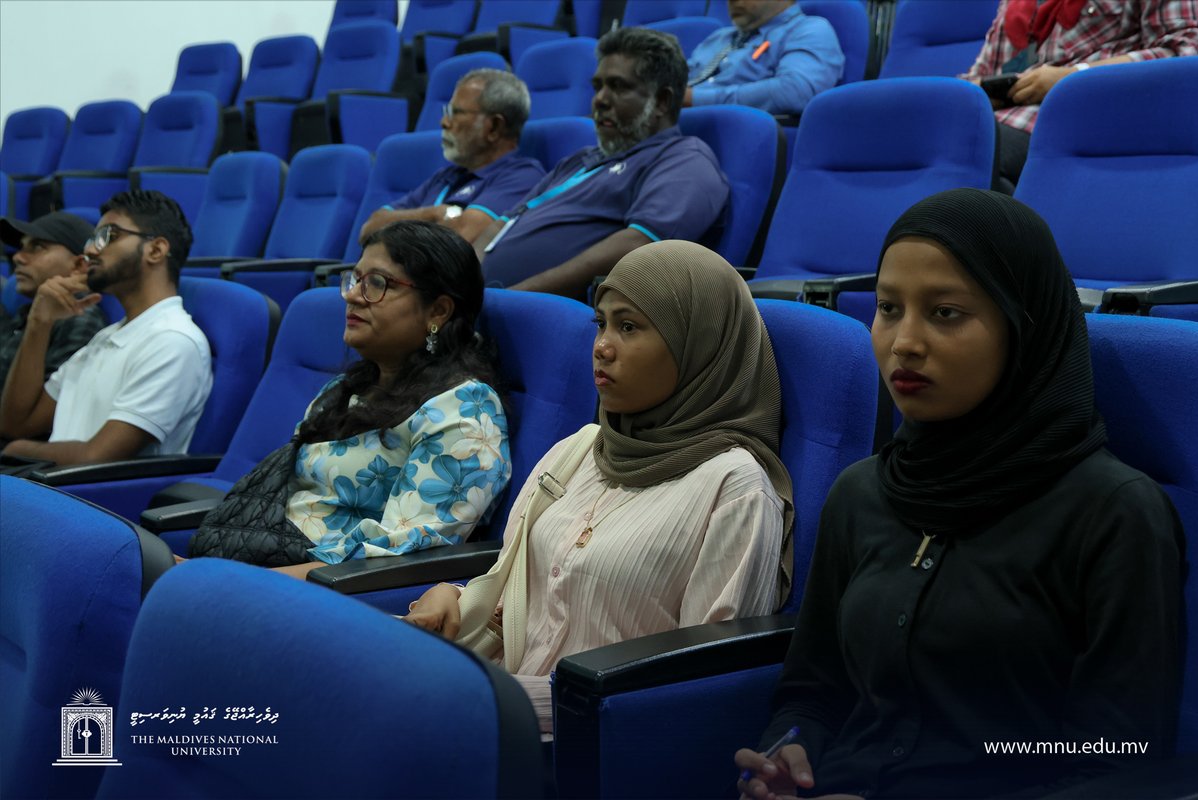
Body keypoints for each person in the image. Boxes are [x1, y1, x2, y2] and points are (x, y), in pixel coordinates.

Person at [736, 189, 1185, 799]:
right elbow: (812, 693)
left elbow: (1117, 759)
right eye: (888, 308)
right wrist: (788, 749)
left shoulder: (1114, 514)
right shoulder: (861, 493)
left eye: (945, 312)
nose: (904, 342)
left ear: (1022, 326)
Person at [406, 239, 794, 731]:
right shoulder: (583, 447)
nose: (602, 346)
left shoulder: (734, 487)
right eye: (601, 324)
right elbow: (526, 596)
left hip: (586, 744)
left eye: (628, 326)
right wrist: (456, 596)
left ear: (699, 343)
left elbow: (695, 689)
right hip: (499, 702)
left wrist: (486, 701)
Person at [191, 220, 511, 572]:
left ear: (438, 311)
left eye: (377, 283)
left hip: (320, 592)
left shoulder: (463, 412)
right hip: (257, 558)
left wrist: (231, 583)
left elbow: (401, 555)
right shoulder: (349, 389)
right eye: (355, 279)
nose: (352, 295)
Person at [474, 28, 730, 301]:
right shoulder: (580, 159)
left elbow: (640, 246)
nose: (600, 100)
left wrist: (511, 301)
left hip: (550, 318)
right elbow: (502, 223)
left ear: (662, 101)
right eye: (598, 86)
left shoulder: (683, 159)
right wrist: (461, 286)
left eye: (618, 87)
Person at [0, 190, 212, 465]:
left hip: (90, 500)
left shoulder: (173, 341)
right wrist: (39, 322)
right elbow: (17, 423)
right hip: (48, 488)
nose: (90, 250)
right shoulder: (107, 336)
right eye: (92, 239)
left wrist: (17, 450)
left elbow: (97, 457)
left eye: (108, 236)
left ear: (156, 250)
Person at [962, 0, 1198, 192]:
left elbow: (1185, 51)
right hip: (1000, 120)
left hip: (1076, 122)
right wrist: (981, 91)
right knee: (944, 136)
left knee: (969, 148)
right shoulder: (1014, 6)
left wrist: (1073, 77)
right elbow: (974, 79)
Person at [358, 69, 545, 244]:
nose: (444, 122)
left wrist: (406, 222)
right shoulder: (446, 176)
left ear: (494, 127)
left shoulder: (522, 177)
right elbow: (370, 228)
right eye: (447, 112)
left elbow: (458, 241)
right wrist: (435, 214)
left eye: (456, 113)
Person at [0, 211, 105, 388]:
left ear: (79, 265)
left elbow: (47, 409)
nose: (17, 257)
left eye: (37, 247)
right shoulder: (24, 312)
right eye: (21, 247)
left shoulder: (80, 318)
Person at [685, 0, 844, 115]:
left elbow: (794, 92)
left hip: (733, 136)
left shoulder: (809, 29)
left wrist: (694, 99)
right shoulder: (718, 37)